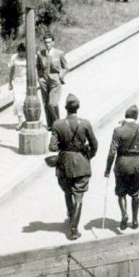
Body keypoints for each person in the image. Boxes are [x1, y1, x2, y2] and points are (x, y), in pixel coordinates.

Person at [49, 94, 97, 240]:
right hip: (81, 163)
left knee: (67, 192)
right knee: (79, 196)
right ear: (78, 108)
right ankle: (74, 228)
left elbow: (52, 147)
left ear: (65, 108)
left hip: (64, 164)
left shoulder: (57, 124)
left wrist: (59, 146)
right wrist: (88, 156)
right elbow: (94, 144)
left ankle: (71, 218)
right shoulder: (85, 124)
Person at [104, 105, 139, 231]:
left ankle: (124, 214)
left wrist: (107, 169)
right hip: (137, 164)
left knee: (121, 193)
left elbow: (112, 152)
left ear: (125, 116)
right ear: (136, 116)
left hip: (122, 164)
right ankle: (135, 221)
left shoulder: (118, 131)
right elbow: (135, 126)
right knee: (135, 194)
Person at [37, 35, 68, 129]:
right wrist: (40, 78)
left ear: (53, 43)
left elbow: (65, 67)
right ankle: (50, 125)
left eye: (49, 42)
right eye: (46, 42)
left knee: (52, 103)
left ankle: (57, 124)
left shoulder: (59, 53)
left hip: (55, 81)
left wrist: (60, 75)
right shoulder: (40, 53)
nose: (47, 44)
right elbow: (38, 67)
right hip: (44, 81)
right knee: (46, 103)